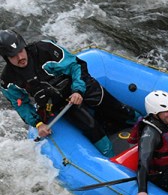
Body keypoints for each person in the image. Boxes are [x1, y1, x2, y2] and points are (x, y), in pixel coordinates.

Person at [0, 29, 136, 156]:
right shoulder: (8, 80)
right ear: (6, 57)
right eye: (13, 56)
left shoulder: (44, 49)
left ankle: (140, 122)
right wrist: (38, 123)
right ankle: (111, 157)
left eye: (20, 51)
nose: (20, 57)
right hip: (61, 103)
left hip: (79, 86)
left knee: (120, 110)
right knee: (91, 127)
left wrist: (77, 90)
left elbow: (75, 65)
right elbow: (21, 104)